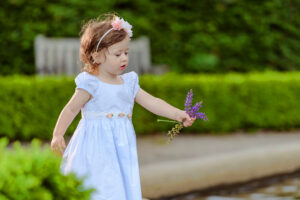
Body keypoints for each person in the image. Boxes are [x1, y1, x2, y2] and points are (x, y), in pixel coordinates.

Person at [50, 13, 196, 200]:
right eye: (117, 54)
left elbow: (152, 101)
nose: (124, 58)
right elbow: (71, 109)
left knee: (119, 178)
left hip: (121, 142)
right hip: (95, 144)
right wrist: (58, 134)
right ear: (96, 55)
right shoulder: (90, 83)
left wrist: (177, 114)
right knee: (99, 180)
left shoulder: (128, 83)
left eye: (126, 52)